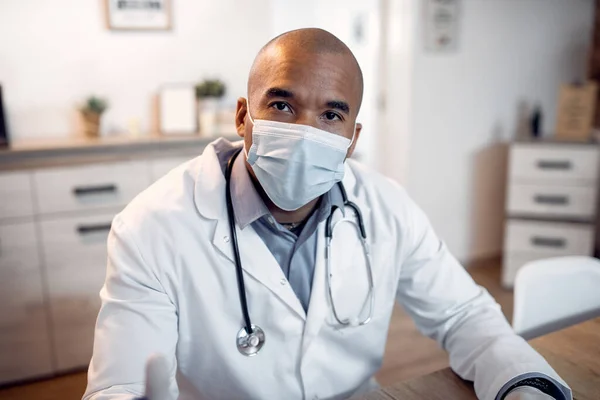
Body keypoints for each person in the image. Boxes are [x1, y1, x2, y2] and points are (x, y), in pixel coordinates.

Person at [83, 29, 570, 400]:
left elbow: (465, 315)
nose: (303, 132)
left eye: (331, 115)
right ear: (241, 117)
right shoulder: (151, 226)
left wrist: (522, 387)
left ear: (352, 139)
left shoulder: (386, 206)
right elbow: (119, 383)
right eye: (281, 105)